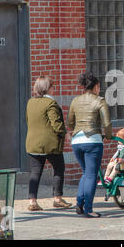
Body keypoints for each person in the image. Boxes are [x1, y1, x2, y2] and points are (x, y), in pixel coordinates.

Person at [66, 72, 112, 218]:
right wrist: (109, 136)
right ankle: (88, 209)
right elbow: (107, 123)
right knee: (92, 175)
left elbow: (70, 123)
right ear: (96, 86)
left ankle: (79, 203)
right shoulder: (100, 101)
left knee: (86, 173)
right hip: (93, 141)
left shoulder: (75, 101)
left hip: (77, 142)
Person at [25, 76, 72, 211]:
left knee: (35, 172)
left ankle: (32, 201)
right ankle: (57, 198)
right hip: (49, 144)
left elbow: (28, 121)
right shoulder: (51, 103)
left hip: (32, 143)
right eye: (52, 86)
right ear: (47, 88)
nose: (54, 88)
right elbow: (56, 124)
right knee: (58, 168)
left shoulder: (30, 102)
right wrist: (66, 134)